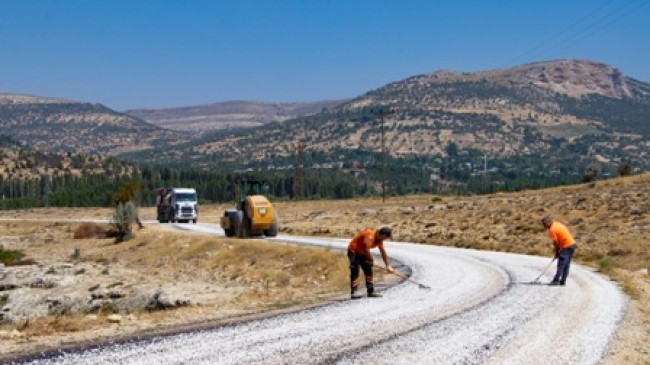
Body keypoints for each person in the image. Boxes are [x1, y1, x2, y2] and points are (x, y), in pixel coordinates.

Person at [347, 226, 394, 299]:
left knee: (368, 270)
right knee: (355, 270)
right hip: (354, 251)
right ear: (383, 234)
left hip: (363, 253)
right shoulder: (370, 235)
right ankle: (354, 292)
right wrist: (371, 260)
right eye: (387, 237)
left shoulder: (379, 240)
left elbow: (383, 252)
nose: (386, 239)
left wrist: (388, 265)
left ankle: (370, 291)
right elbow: (366, 249)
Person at [541, 216, 578, 286]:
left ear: (548, 222)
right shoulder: (557, 224)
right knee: (566, 264)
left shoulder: (552, 230)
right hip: (572, 245)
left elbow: (556, 243)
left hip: (566, 246)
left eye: (544, 224)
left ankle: (556, 280)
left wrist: (557, 252)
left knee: (561, 264)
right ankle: (563, 281)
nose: (544, 226)